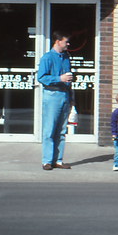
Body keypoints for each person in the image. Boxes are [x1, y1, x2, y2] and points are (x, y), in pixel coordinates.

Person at [36, 31, 74, 170]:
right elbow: (41, 77)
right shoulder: (47, 57)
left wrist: (72, 98)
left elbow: (68, 79)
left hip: (64, 94)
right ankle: (47, 161)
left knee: (62, 130)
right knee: (49, 129)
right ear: (58, 41)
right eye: (66, 41)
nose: (68, 44)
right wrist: (59, 78)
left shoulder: (66, 57)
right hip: (52, 95)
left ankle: (58, 160)